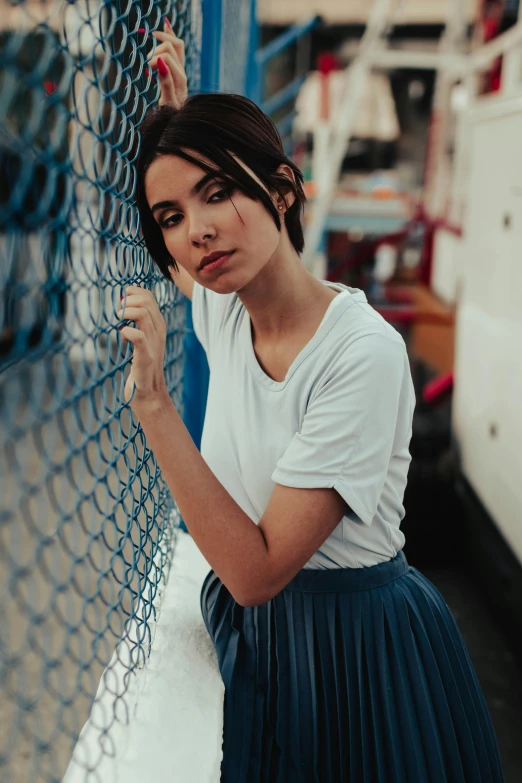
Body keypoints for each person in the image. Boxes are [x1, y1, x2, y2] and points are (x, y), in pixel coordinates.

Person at [117, 17, 505, 782]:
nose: (196, 231)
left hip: (358, 646)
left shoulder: (359, 353)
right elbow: (199, 254)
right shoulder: (224, 305)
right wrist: (184, 119)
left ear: (284, 187)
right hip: (268, 641)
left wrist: (156, 406)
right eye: (171, 216)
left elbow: (258, 570)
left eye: (218, 191)